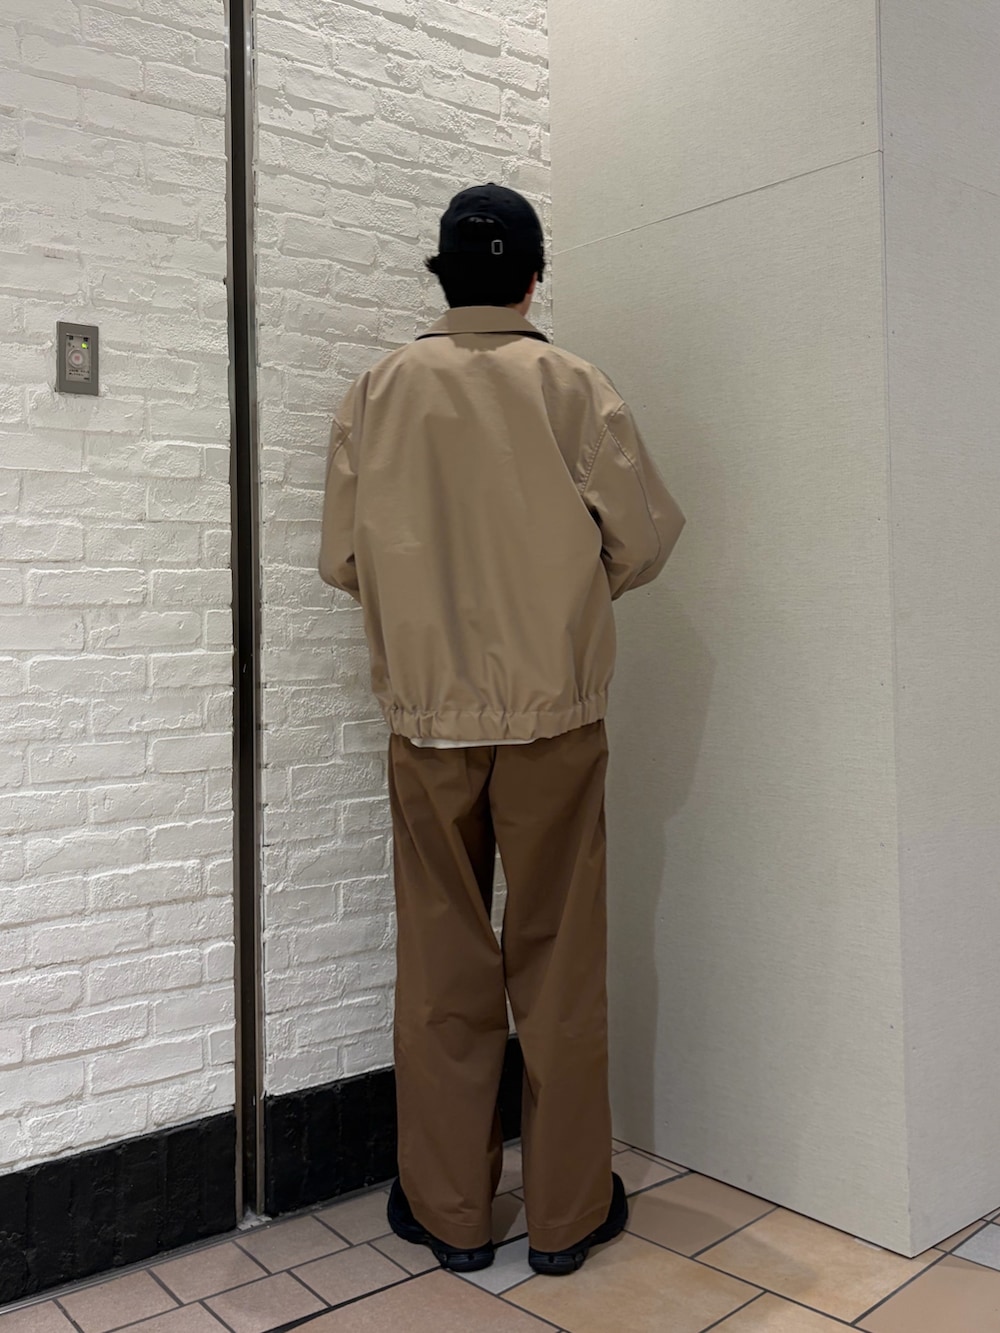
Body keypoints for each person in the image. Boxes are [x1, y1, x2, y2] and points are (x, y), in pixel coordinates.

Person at [318, 183, 685, 1277]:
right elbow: (645, 540)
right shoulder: (575, 387)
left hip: (428, 718)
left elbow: (343, 558)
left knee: (443, 958)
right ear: (531, 279)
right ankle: (566, 1214)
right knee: (559, 957)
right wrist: (565, 599)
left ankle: (452, 1214)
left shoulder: (378, 391)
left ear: (443, 277)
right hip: (553, 715)